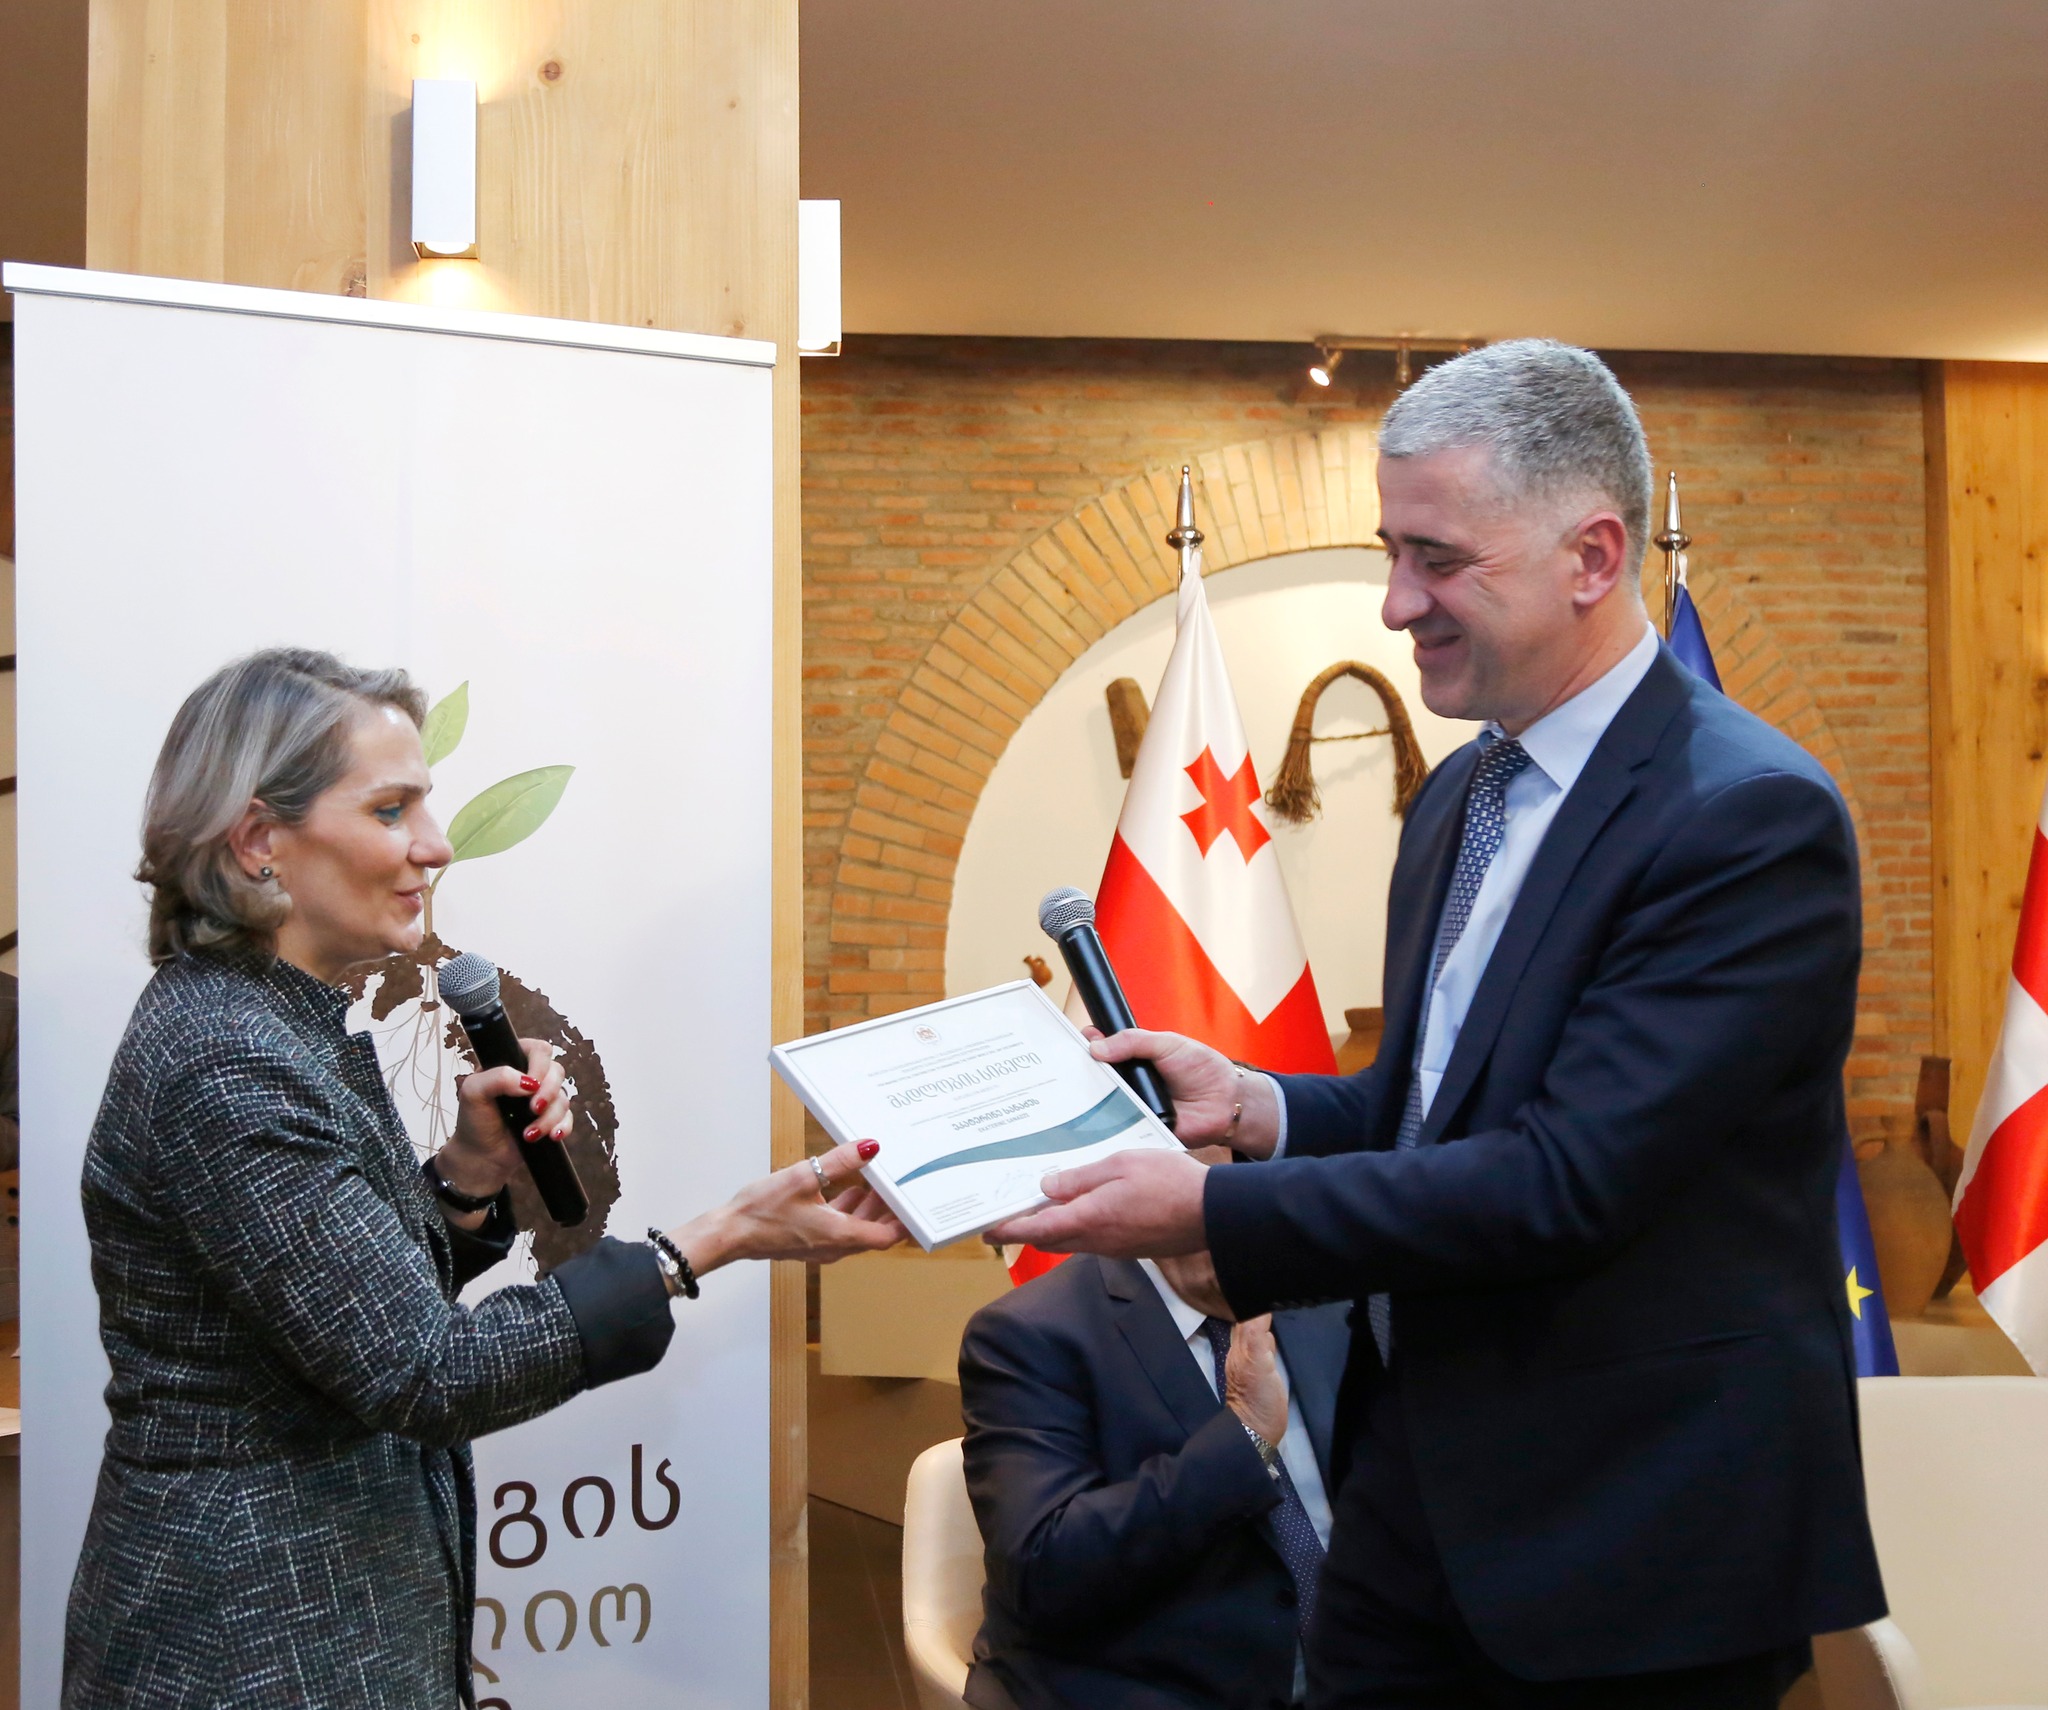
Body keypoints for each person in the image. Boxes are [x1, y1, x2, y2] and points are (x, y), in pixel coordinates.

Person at [992, 341, 1887, 1709]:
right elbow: (1431, 1111)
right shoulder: (1462, 798)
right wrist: (1258, 1104)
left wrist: (1208, 1209)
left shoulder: (1745, 818)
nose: (1397, 602)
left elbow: (1564, 1178)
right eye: (1390, 552)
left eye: (1439, 559)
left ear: (1592, 557)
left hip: (1636, 1540)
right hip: (1413, 1501)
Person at [64, 649, 903, 1709]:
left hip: (322, 1614)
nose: (437, 842)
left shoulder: (280, 1021)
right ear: (259, 841)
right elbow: (424, 1371)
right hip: (250, 1640)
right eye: (390, 808)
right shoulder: (228, 1058)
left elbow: (343, 1309)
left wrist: (467, 1174)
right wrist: (710, 1242)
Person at [960, 1177, 1350, 1710]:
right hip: (1145, 1682)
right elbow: (1045, 1570)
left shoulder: (1326, 1292)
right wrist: (1246, 1438)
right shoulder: (1031, 1332)